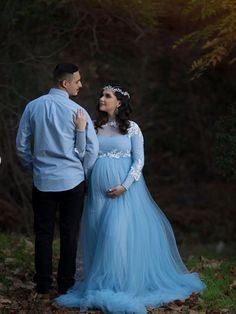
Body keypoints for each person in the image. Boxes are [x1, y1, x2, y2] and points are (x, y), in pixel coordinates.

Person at [56, 84, 205, 313]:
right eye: (102, 95)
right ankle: (101, 282)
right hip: (97, 193)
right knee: (97, 236)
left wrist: (124, 186)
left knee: (115, 237)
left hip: (123, 194)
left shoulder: (132, 129)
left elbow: (139, 161)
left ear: (120, 102)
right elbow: (81, 154)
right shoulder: (94, 126)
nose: (101, 98)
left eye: (107, 96)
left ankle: (121, 285)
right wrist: (79, 130)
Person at [16, 63, 98, 295]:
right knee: (69, 233)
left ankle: (42, 284)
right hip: (72, 181)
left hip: (42, 180)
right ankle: (65, 284)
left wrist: (33, 167)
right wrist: (84, 174)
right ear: (65, 83)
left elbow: (22, 145)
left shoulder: (33, 107)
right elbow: (91, 150)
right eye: (78, 81)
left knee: (43, 233)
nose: (80, 85)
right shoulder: (78, 112)